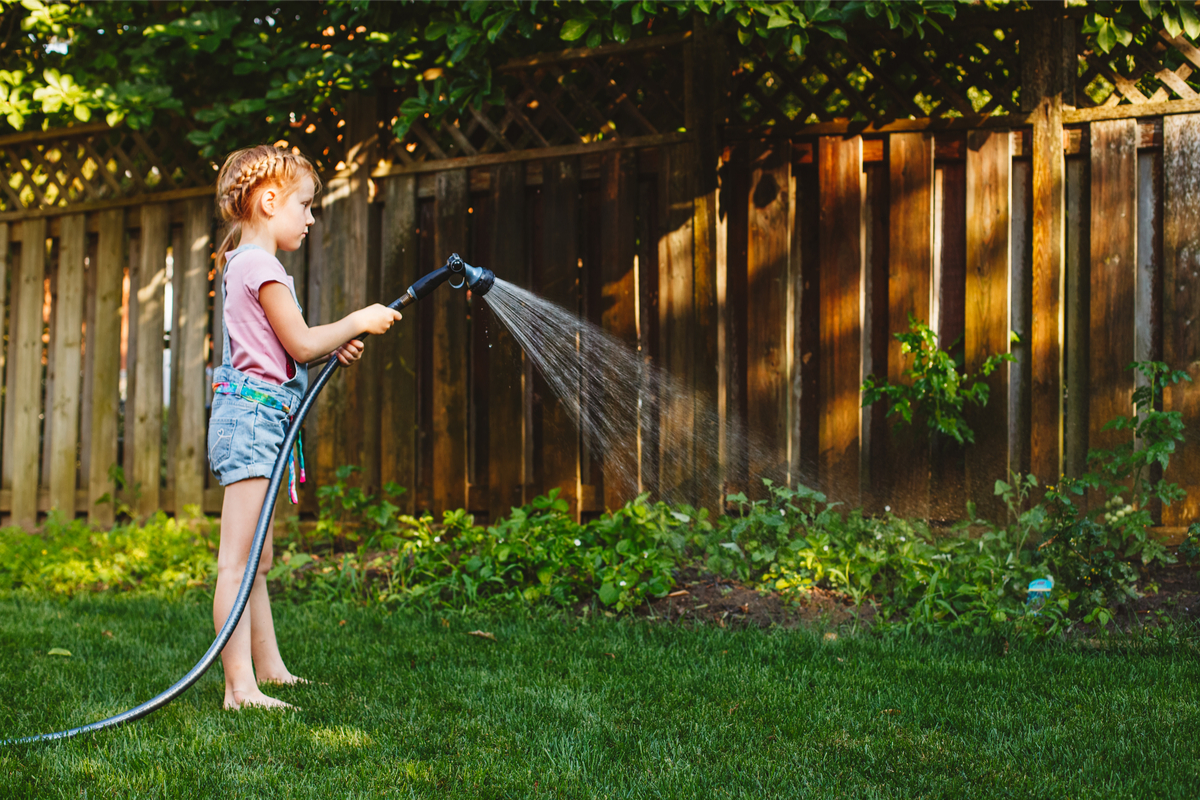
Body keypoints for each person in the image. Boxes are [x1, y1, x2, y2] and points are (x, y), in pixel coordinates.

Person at [208, 145, 402, 709]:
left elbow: (280, 353)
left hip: (262, 417)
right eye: (305, 205)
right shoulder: (260, 266)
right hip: (251, 422)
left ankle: (268, 670)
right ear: (270, 201)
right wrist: (355, 322)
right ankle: (239, 689)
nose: (311, 218)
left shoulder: (247, 263)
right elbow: (299, 342)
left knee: (258, 561)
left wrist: (328, 347)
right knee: (236, 562)